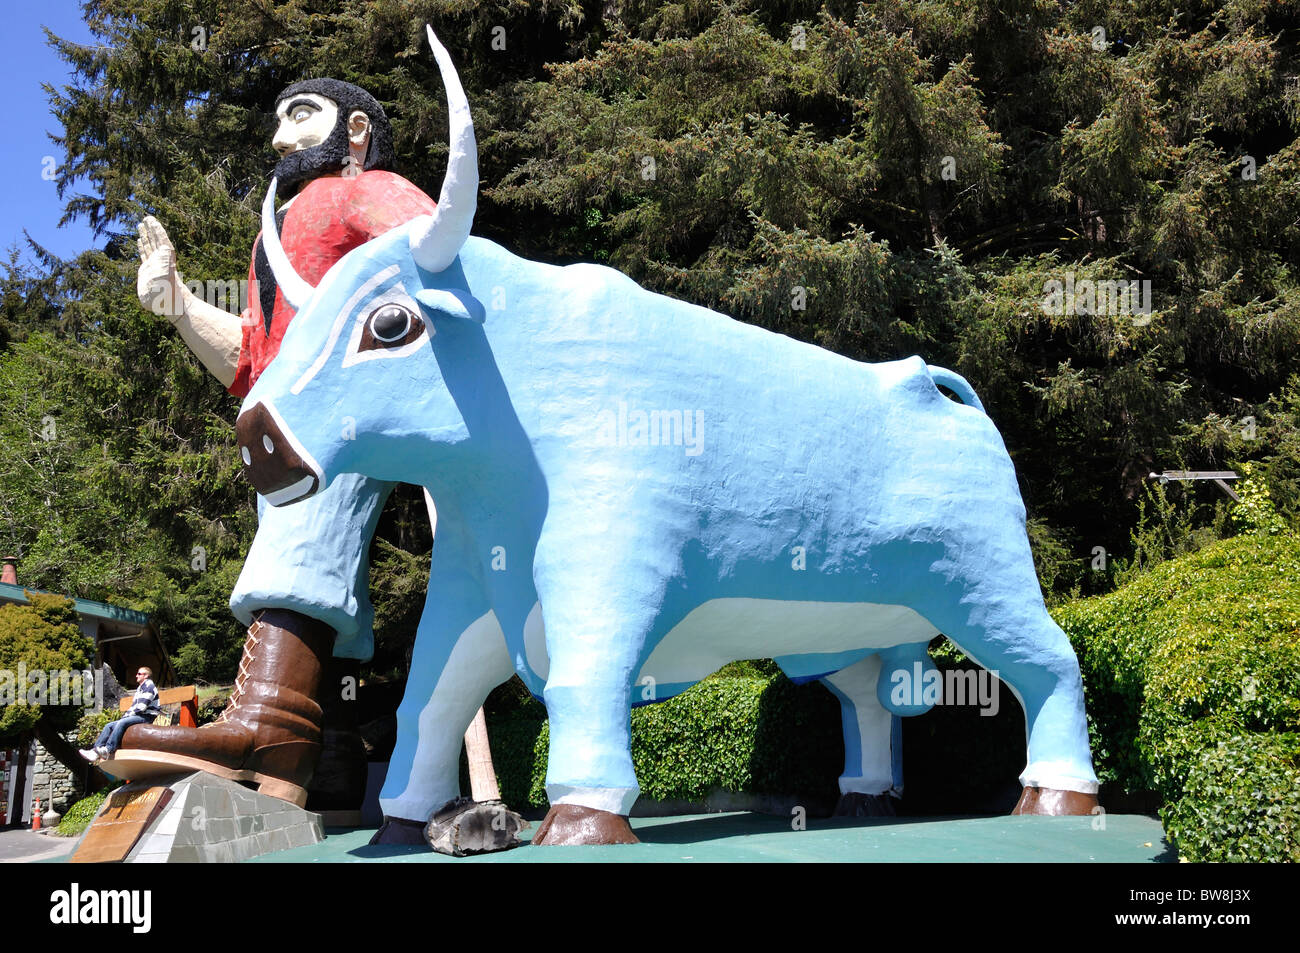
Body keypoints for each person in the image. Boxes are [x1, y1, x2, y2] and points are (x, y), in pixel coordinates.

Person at [118, 77, 499, 829]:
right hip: (291, 415)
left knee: (307, 513)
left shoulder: (367, 192)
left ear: (356, 132)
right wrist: (182, 305)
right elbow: (252, 363)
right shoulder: (272, 234)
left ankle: (267, 720)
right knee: (296, 532)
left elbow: (443, 256)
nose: (279, 140)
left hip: (362, 399)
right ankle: (280, 768)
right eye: (278, 120)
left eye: (301, 117)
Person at [81, 667, 161, 762]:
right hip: (138, 715)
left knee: (122, 723)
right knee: (109, 726)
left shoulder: (149, 686)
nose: (136, 676)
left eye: (139, 674)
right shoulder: (140, 688)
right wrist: (126, 715)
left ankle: (108, 749)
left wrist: (126, 716)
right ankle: (95, 751)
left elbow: (141, 707)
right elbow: (134, 706)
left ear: (146, 675)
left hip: (146, 716)